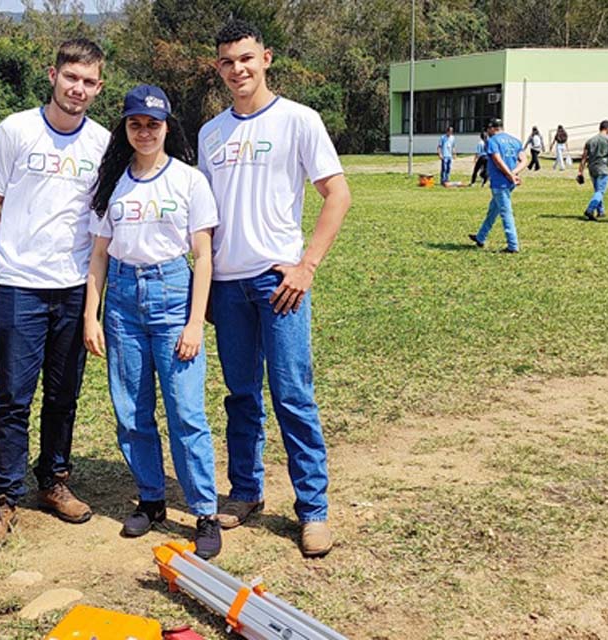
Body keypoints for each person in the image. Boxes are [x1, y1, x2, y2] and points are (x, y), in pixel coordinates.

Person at [197, 20, 351, 558]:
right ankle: (245, 492)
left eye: (246, 58)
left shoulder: (298, 120)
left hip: (278, 282)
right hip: (227, 285)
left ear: (266, 58)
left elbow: (337, 194)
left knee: (291, 394)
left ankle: (313, 510)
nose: (237, 69)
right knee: (241, 396)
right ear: (218, 69)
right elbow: (205, 219)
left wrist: (307, 264)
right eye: (226, 62)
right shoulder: (210, 133)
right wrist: (205, 284)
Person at [0, 38, 109, 551]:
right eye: (71, 77)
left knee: (64, 394)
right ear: (53, 75)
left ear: (99, 87)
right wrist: (7, 259)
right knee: (13, 397)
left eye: (89, 81)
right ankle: (1, 499)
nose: (78, 89)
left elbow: (104, 220)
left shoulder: (101, 143)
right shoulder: (16, 130)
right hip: (21, 287)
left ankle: (53, 481)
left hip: (75, 287)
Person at [83, 85, 222, 559]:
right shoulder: (113, 182)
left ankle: (204, 511)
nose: (144, 132)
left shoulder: (189, 181)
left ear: (167, 126)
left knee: (186, 413)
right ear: (125, 127)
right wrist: (92, 314)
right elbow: (99, 256)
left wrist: (195, 322)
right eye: (135, 123)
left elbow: (202, 256)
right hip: (122, 303)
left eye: (153, 124)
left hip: (172, 298)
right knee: (131, 412)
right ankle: (151, 499)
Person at [469, 118, 525, 253]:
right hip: (509, 182)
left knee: (506, 213)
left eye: (488, 129)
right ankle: (481, 237)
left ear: (492, 128)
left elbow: (498, 161)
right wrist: (514, 173)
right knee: (493, 210)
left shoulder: (493, 141)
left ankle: (513, 245)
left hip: (500, 183)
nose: (487, 132)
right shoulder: (515, 140)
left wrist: (509, 175)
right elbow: (524, 160)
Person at [578, 120, 608, 221]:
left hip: (592, 168)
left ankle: (601, 211)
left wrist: (580, 171)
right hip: (603, 168)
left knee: (597, 190)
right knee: (600, 191)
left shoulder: (590, 140)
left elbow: (584, 158)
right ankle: (590, 209)